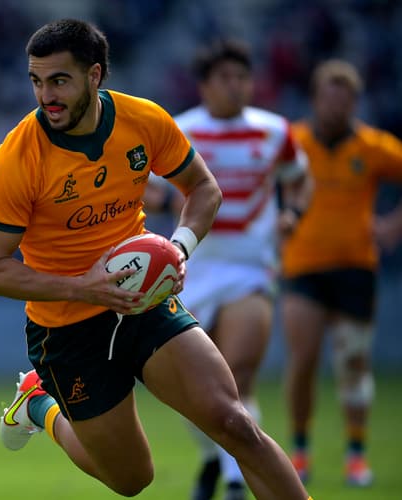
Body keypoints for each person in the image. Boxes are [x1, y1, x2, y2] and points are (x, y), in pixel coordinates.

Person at [0, 19, 311, 500]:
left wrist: (178, 248)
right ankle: (40, 406)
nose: (46, 95)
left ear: (95, 75)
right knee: (132, 480)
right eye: (36, 81)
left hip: (144, 305)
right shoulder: (18, 158)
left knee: (235, 423)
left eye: (59, 80)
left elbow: (203, 188)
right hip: (66, 330)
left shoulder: (143, 119)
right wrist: (82, 287)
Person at [143, 39, 311, 500]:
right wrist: (164, 205)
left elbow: (299, 180)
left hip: (250, 269)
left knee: (237, 375)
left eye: (243, 78)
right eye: (225, 78)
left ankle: (236, 482)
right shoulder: (180, 130)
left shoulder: (275, 131)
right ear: (205, 86)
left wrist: (291, 215)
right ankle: (214, 457)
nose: (236, 87)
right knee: (194, 391)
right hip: (188, 270)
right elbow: (143, 188)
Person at [280, 59, 402, 487]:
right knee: (304, 359)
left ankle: (355, 453)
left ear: (355, 101)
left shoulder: (373, 147)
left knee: (353, 360)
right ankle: (299, 451)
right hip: (303, 267)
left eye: (345, 98)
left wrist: (392, 225)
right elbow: (260, 181)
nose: (337, 106)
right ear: (315, 98)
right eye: (330, 96)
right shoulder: (292, 142)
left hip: (356, 268)